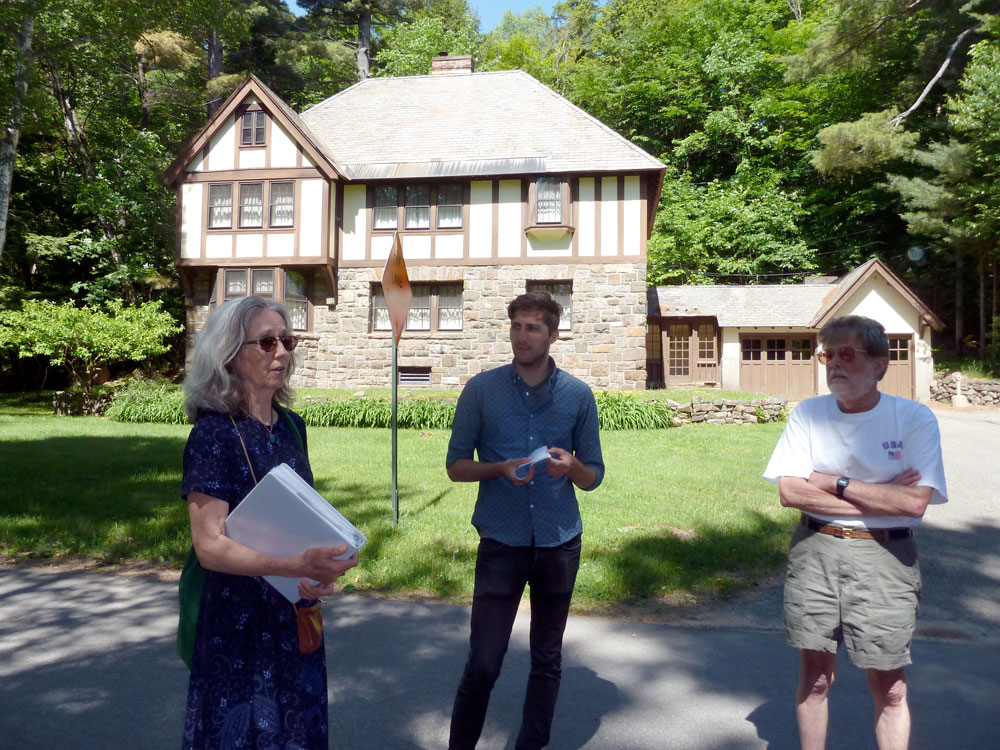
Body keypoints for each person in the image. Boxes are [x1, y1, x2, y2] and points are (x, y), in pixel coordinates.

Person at [181, 296, 358, 750]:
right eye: (266, 342)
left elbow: (299, 517)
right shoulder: (213, 433)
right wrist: (294, 564)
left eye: (286, 341)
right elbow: (209, 547)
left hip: (293, 612)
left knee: (296, 730)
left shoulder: (291, 427)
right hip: (237, 621)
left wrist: (318, 569)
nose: (281, 352)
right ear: (229, 355)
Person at [763, 315, 948, 750]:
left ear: (880, 365)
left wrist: (834, 482)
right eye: (827, 354)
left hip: (885, 560)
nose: (834, 363)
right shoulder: (808, 413)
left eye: (846, 353)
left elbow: (914, 504)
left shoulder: (913, 418)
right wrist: (883, 496)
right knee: (815, 679)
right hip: (816, 551)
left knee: (890, 687)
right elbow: (790, 492)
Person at [445, 291, 605, 750]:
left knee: (547, 659)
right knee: (483, 663)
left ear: (553, 335)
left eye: (533, 327)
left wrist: (571, 467)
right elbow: (456, 466)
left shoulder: (578, 396)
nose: (522, 336)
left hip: (559, 542)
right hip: (502, 540)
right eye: (516, 326)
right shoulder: (481, 390)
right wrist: (498, 468)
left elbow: (593, 476)